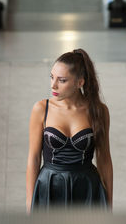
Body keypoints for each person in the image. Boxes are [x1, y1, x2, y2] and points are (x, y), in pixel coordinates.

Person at [26, 49, 113, 212]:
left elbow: (104, 160)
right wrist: (30, 203)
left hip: (87, 189)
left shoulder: (99, 111)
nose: (53, 85)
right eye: (51, 77)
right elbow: (34, 159)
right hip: (49, 188)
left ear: (80, 82)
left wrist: (109, 204)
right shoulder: (41, 109)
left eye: (62, 80)